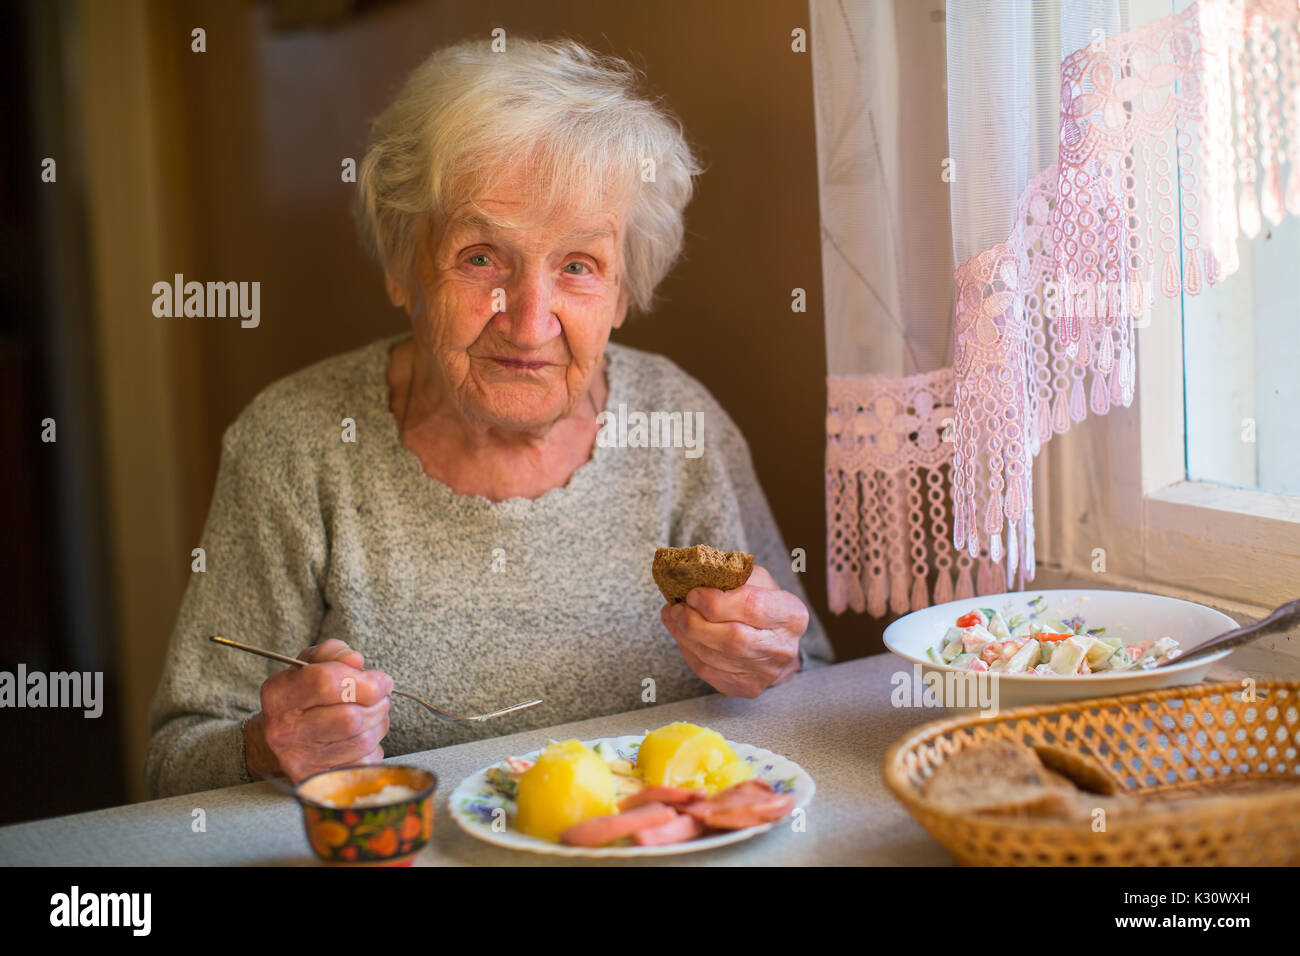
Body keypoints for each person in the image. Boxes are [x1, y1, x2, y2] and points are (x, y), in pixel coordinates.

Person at [146, 36, 832, 799]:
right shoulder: (294, 446)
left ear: (625, 291)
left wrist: (770, 666)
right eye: (481, 258)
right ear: (403, 265)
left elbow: (811, 682)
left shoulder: (678, 423)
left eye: (578, 265)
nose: (530, 321)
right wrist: (269, 746)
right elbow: (176, 764)